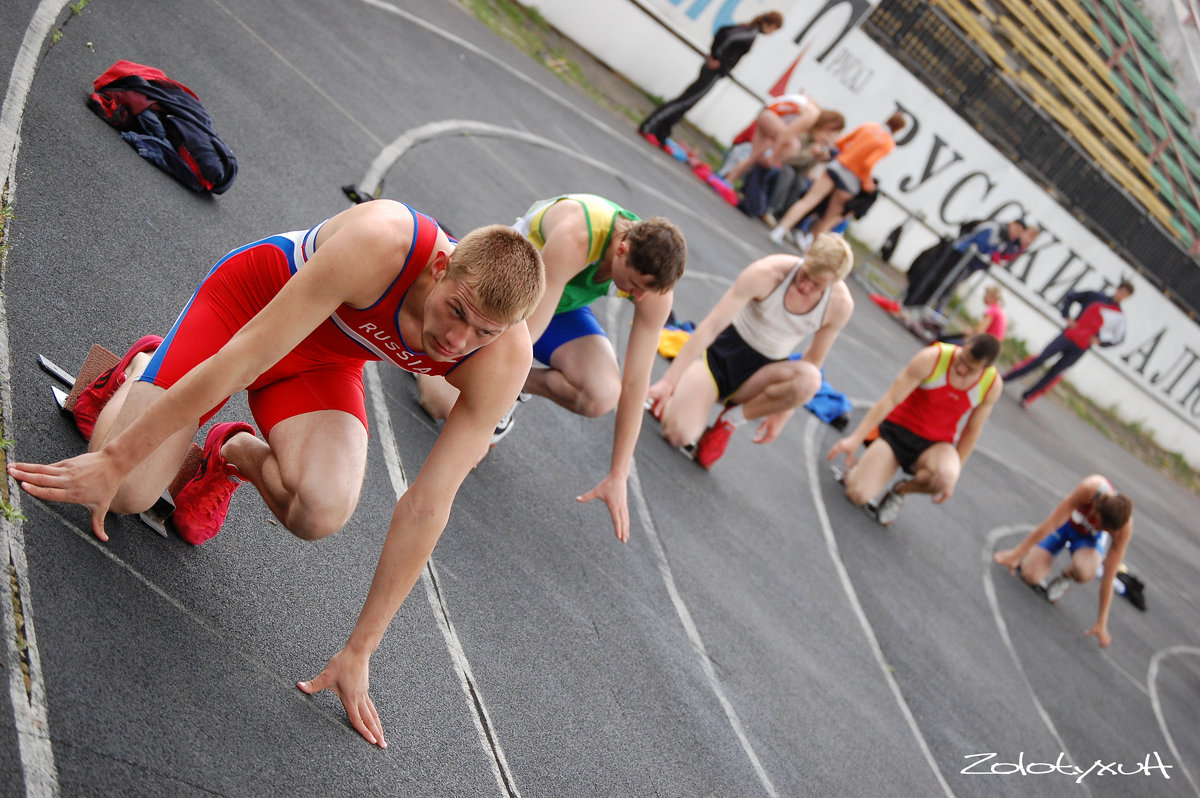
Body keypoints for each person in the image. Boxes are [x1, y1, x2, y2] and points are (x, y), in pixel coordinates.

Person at [7, 200, 546, 748]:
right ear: (440, 268)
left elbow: (430, 502)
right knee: (125, 492)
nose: (459, 341)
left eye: (483, 331)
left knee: (321, 509)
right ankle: (143, 368)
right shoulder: (383, 242)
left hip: (323, 362)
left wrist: (360, 649)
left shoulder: (502, 358)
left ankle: (231, 452)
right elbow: (244, 356)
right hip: (246, 311)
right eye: (456, 311)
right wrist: (115, 459)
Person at [417, 194, 686, 542]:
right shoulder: (578, 234)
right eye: (633, 286)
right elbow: (524, 337)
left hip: (559, 309)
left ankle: (508, 393)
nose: (637, 298)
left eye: (645, 292)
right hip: (505, 299)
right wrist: (484, 420)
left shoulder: (652, 290)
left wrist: (618, 474)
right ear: (621, 250)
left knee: (602, 393)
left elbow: (635, 384)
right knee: (438, 404)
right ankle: (431, 356)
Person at [647, 233, 854, 468]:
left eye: (816, 284)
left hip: (761, 375)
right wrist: (668, 381)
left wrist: (781, 415)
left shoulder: (839, 305)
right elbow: (711, 325)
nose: (805, 286)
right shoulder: (767, 272)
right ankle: (682, 395)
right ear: (806, 254)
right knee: (678, 435)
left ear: (834, 281)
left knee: (811, 380)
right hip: (720, 357)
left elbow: (814, 360)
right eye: (805, 274)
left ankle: (730, 421)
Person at [827, 334, 1002, 525]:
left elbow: (972, 431)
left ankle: (900, 491)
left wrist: (955, 475)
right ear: (964, 345)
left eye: (970, 369)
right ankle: (858, 470)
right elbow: (891, 398)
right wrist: (855, 438)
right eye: (961, 360)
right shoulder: (932, 358)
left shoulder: (991, 385)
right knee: (857, 494)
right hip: (898, 432)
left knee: (945, 477)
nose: (961, 369)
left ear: (985, 369)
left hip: (934, 445)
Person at [992, 474, 1134, 647]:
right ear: (1096, 508)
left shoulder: (1123, 528)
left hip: (1086, 542)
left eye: (1103, 530)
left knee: (1085, 572)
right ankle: (1031, 559)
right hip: (1065, 526)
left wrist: (1102, 621)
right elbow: (1052, 523)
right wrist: (1016, 553)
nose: (1097, 528)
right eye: (1098, 523)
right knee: (1030, 576)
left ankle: (1066, 576)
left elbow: (1109, 576)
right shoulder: (1090, 488)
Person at [638, 11, 783, 147]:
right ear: (770, 25)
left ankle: (662, 133)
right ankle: (650, 126)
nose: (772, 33)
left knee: (689, 103)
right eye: (774, 29)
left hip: (716, 72)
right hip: (712, 71)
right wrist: (716, 57)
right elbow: (725, 35)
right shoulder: (749, 32)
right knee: (685, 100)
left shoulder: (749, 31)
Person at [769, 112, 906, 244]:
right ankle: (812, 249)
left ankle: (780, 230)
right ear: (898, 129)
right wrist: (867, 184)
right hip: (850, 179)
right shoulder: (888, 144)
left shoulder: (869, 126)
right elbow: (868, 164)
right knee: (830, 219)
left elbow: (840, 142)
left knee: (808, 201)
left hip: (837, 166)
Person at [1003, 279, 1133, 407]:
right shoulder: (1095, 296)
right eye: (1121, 291)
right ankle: (1006, 378)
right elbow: (1071, 296)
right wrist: (1067, 316)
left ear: (1128, 297)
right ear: (1117, 289)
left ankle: (1029, 396)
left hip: (1081, 346)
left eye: (1125, 294)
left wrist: (1100, 342)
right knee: (1040, 358)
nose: (1121, 295)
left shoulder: (1119, 316)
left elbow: (1119, 338)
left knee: (1055, 372)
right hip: (1068, 336)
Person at [723, 96, 836, 185]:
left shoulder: (812, 112)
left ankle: (728, 180)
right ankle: (769, 163)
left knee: (754, 156)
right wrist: (773, 158)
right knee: (793, 146)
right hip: (770, 116)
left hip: (768, 114)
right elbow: (786, 135)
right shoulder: (812, 115)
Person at [940, 284, 1006, 345]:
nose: (984, 297)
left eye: (986, 295)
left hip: (985, 344)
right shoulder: (998, 309)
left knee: (946, 341)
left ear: (992, 297)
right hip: (990, 345)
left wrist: (970, 333)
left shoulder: (992, 310)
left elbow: (980, 331)